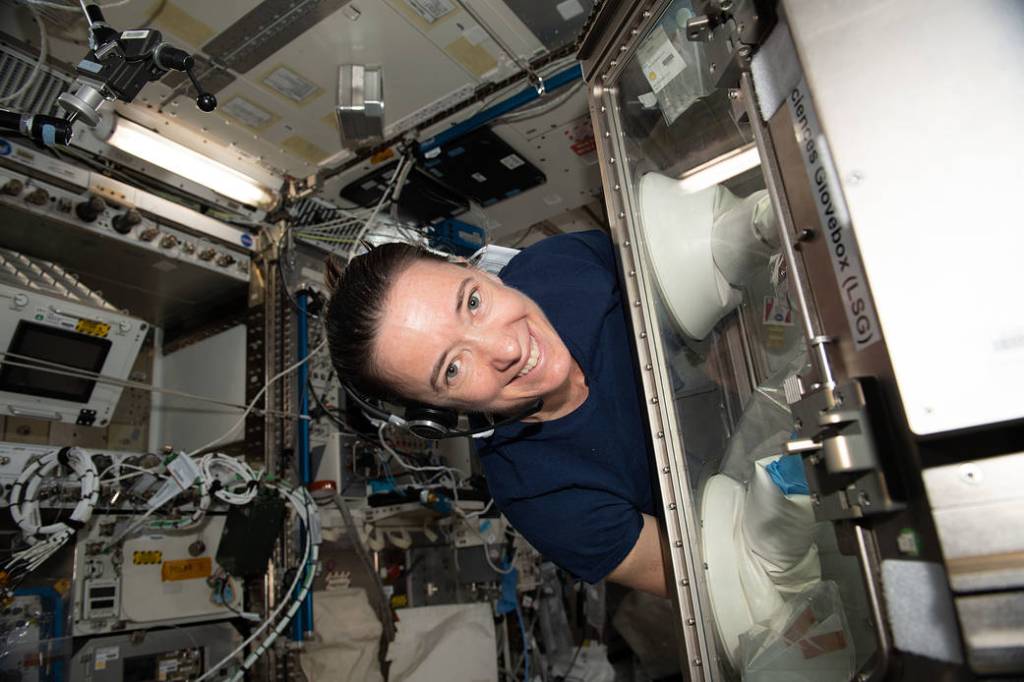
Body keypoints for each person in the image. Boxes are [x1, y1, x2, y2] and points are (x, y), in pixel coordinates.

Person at [325, 230, 667, 596]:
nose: (507, 348)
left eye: (473, 303)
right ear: (439, 412)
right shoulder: (544, 502)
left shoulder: (559, 264)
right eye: (453, 369)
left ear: (477, 270)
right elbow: (707, 576)